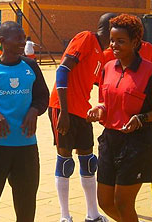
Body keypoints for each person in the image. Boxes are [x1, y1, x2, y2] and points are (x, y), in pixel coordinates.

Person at [87, 14, 152, 221]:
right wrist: (100, 110)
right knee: (105, 202)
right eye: (112, 40)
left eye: (120, 41)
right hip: (109, 141)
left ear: (135, 42)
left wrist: (142, 118)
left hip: (136, 144)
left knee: (123, 204)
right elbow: (106, 101)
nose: (113, 45)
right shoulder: (107, 69)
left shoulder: (151, 73)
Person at [0, 21, 49, 222]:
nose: (23, 42)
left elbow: (42, 96)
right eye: (18, 38)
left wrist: (35, 110)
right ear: (3, 41)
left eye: (24, 38)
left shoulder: (30, 66)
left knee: (26, 201)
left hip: (26, 145)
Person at [48, 13, 117, 222]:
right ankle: (64, 217)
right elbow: (62, 70)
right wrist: (65, 113)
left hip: (83, 111)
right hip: (63, 108)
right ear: (109, 28)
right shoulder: (86, 38)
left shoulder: (102, 54)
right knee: (65, 162)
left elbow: (101, 85)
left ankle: (92, 215)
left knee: (88, 162)